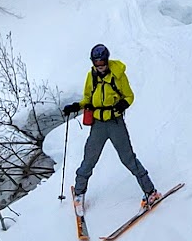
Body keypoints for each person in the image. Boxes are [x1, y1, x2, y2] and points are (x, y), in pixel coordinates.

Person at [62, 43, 160, 210]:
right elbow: (88, 99)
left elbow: (129, 96)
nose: (99, 67)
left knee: (128, 158)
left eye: (102, 64)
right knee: (89, 159)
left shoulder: (118, 75)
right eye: (96, 64)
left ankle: (150, 191)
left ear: (106, 61)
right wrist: (76, 106)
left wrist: (122, 105)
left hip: (115, 124)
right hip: (98, 125)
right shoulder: (91, 76)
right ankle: (79, 193)